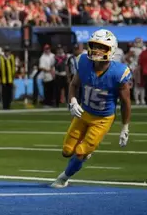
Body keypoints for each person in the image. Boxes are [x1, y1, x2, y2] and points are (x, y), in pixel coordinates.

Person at [51, 29, 131, 188]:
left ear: (111, 50)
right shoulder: (83, 61)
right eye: (94, 46)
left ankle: (63, 178)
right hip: (84, 113)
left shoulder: (119, 72)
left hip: (102, 119)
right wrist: (73, 101)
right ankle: (82, 154)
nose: (96, 51)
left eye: (101, 47)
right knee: (67, 151)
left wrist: (125, 127)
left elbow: (125, 102)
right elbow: (73, 85)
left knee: (80, 152)